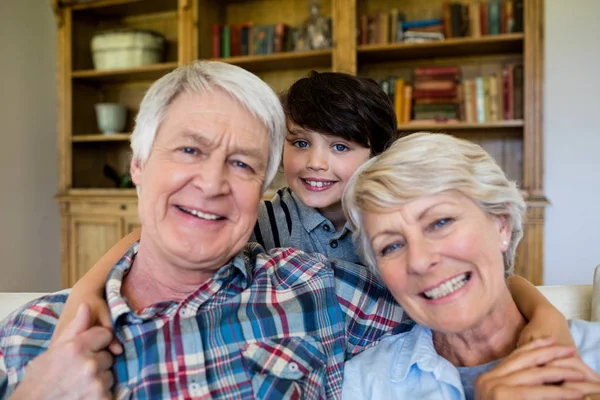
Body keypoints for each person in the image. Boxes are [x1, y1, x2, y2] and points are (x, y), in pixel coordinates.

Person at [52, 71, 570, 347]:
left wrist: (547, 318)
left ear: (378, 155)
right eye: (300, 143)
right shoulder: (265, 217)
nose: (316, 164)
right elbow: (158, 243)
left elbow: (490, 280)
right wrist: (84, 292)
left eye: (342, 147)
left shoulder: (399, 222)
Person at [0, 61, 404, 399]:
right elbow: (160, 241)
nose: (211, 185)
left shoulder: (328, 280)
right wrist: (85, 294)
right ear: (137, 164)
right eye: (190, 150)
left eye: (243, 163)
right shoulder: (30, 335)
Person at [341, 132, 600, 400]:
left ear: (501, 225)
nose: (419, 261)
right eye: (391, 246)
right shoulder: (363, 384)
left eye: (440, 222)